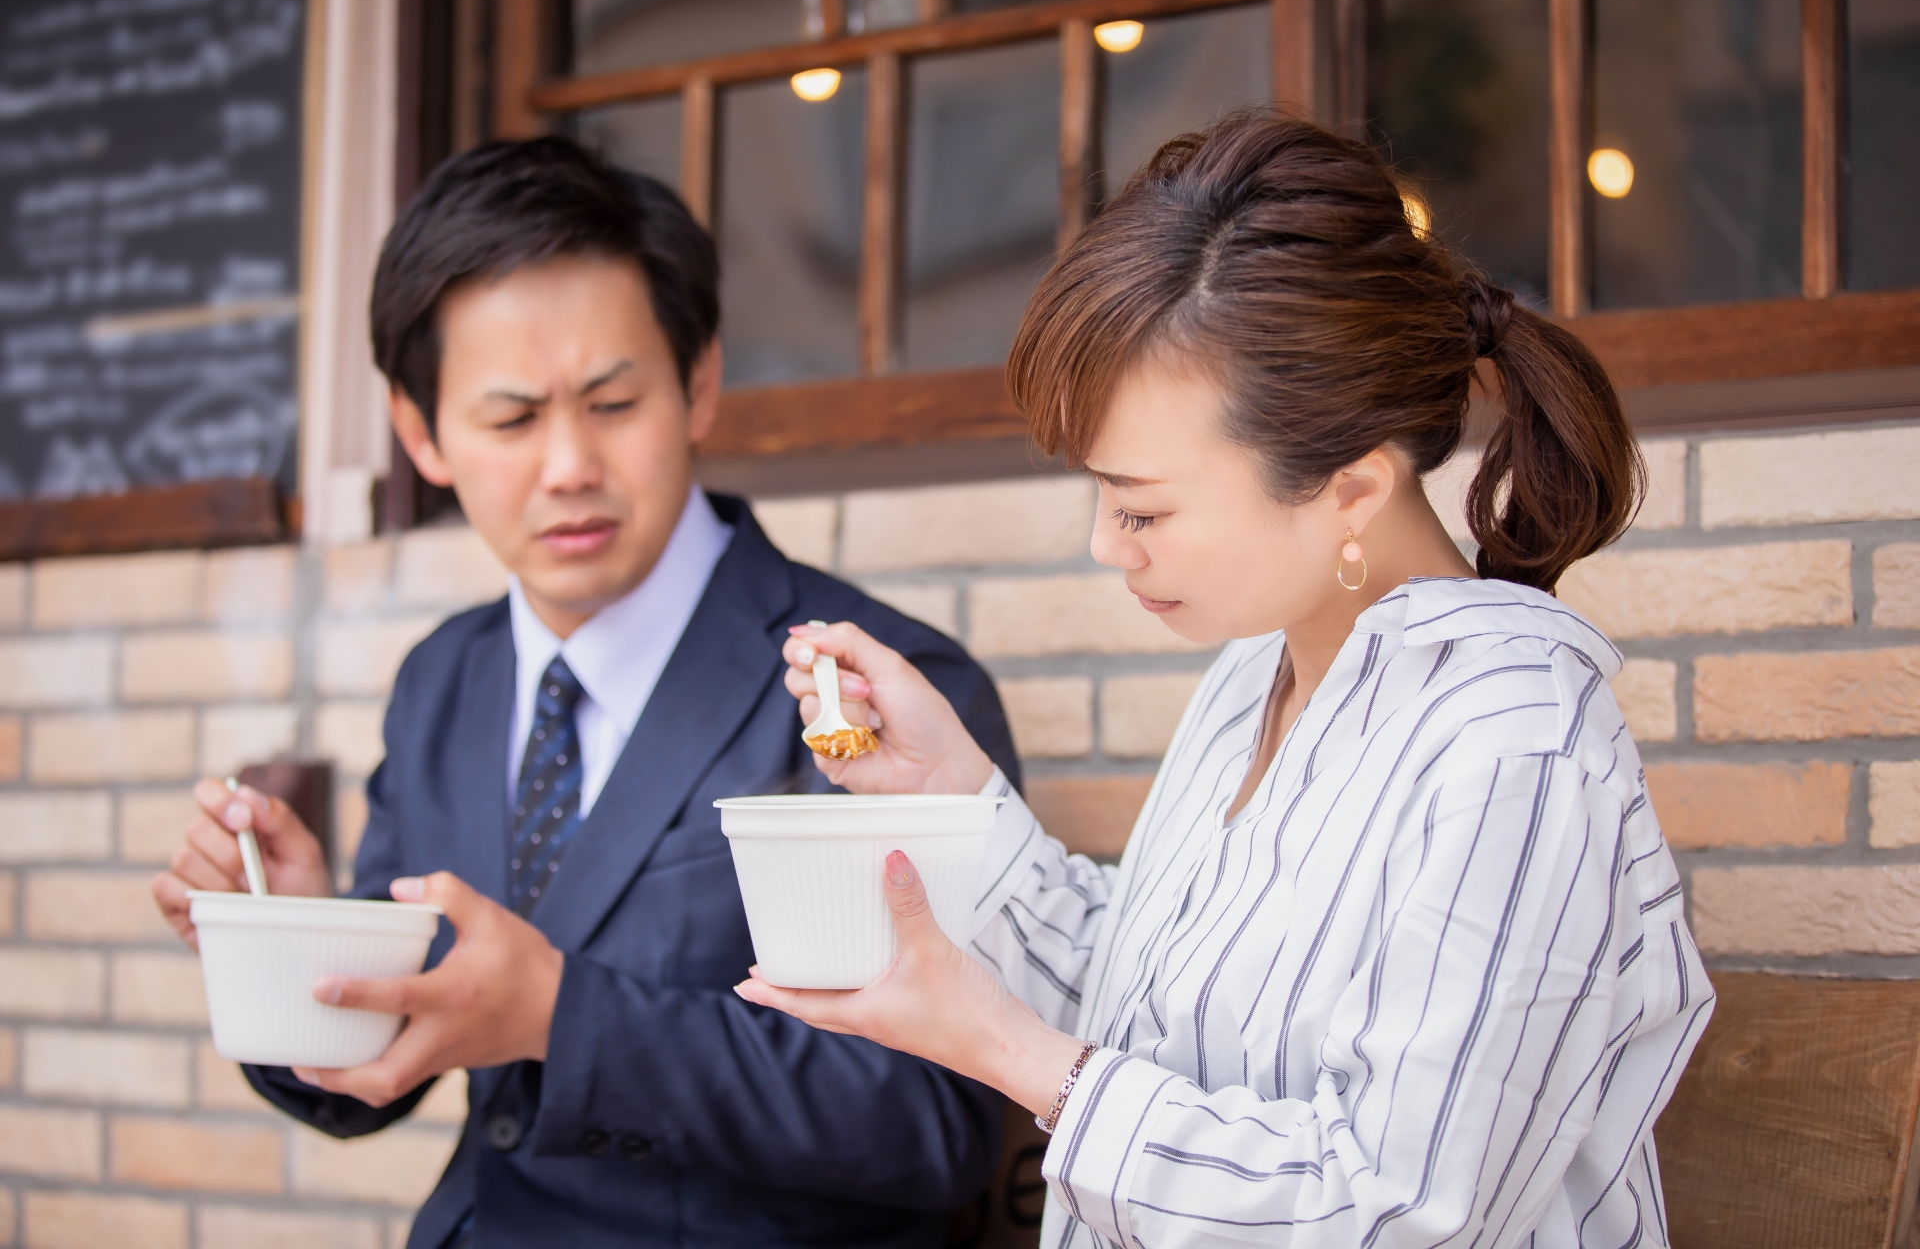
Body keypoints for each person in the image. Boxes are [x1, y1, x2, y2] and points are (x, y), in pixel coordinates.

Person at [741, 111, 1715, 1249]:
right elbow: (1142, 999)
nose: (1108, 544)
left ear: (1351, 488)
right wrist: (946, 783)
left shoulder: (1512, 744)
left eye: (1144, 506)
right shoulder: (1264, 667)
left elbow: (1395, 1211)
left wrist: (1003, 1049)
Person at [151, 137, 1017, 1249]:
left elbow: (934, 1123)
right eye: (511, 420)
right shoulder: (444, 679)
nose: (568, 464)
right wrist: (295, 944)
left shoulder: (889, 692)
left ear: (698, 380)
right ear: (422, 434)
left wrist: (564, 1014)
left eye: (612, 401)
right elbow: (383, 1056)